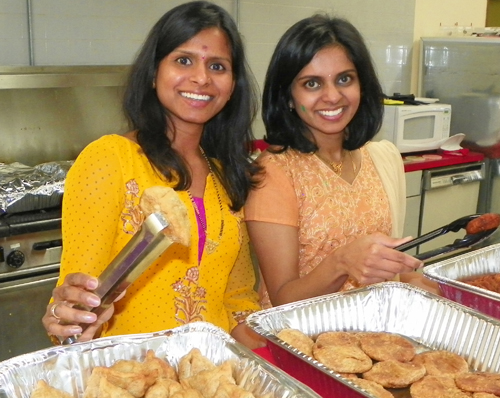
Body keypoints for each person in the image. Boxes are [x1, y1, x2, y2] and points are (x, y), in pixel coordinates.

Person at [42, 1, 265, 349]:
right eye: (184, 60)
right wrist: (66, 316)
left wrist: (279, 367)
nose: (202, 78)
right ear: (153, 72)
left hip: (212, 377)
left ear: (232, 84)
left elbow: (237, 301)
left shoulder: (227, 174)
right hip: (132, 376)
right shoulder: (109, 159)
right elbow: (78, 304)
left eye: (217, 66)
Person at [245, 14, 439, 309]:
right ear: (287, 95)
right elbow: (283, 299)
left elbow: (382, 262)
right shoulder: (274, 172)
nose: (332, 96)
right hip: (305, 339)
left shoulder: (378, 157)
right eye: (312, 84)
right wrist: (341, 263)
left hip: (377, 327)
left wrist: (406, 277)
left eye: (344, 79)